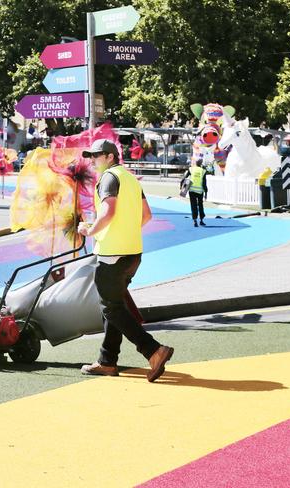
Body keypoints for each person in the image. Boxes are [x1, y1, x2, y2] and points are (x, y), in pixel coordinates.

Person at [77, 139, 174, 382]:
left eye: (97, 156)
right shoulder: (130, 178)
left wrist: (91, 230)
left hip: (112, 253)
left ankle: (153, 350)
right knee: (114, 307)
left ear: (110, 156)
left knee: (111, 308)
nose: (92, 160)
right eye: (91, 156)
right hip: (132, 253)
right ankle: (107, 361)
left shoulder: (109, 178)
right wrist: (126, 230)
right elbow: (146, 214)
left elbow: (108, 212)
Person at [181, 159, 208, 227]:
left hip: (192, 190)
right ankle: (201, 220)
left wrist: (181, 185)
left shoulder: (191, 169)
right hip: (200, 191)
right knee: (200, 205)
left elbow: (185, 177)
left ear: (195, 163)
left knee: (193, 205)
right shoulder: (203, 171)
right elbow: (204, 183)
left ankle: (195, 220)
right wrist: (206, 192)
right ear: (201, 164)